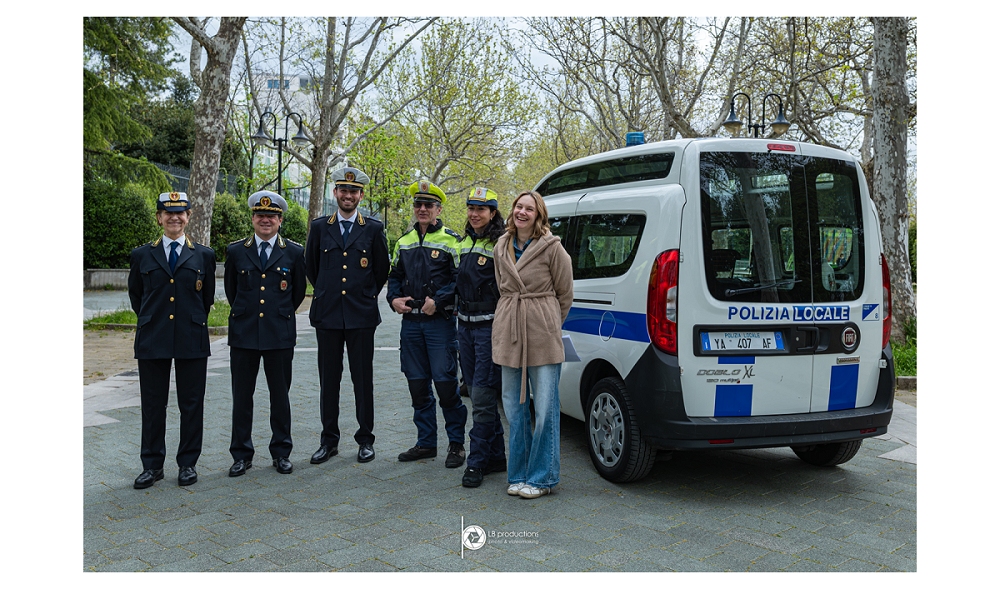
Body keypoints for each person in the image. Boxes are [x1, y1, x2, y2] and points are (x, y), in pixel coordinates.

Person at [128, 192, 216, 489]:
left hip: (191, 336)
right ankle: (152, 466)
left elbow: (206, 299)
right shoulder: (142, 255)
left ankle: (187, 463)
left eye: (180, 213)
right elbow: (137, 297)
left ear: (189, 217)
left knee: (191, 403)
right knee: (153, 405)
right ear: (159, 217)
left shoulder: (204, 255)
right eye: (168, 213)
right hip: (153, 337)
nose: (174, 218)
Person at [305, 167, 390, 464]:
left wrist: (365, 294)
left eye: (353, 191)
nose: (348, 195)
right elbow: (311, 267)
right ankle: (329, 441)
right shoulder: (319, 227)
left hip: (361, 315)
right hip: (328, 315)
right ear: (335, 193)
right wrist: (329, 292)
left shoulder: (373, 229)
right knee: (329, 381)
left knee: (362, 380)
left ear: (361, 195)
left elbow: (381, 270)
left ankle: (365, 439)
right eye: (343, 190)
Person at [493, 190, 573, 499]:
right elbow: (502, 285)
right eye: (518, 206)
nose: (522, 212)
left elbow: (565, 294)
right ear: (512, 211)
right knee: (514, 408)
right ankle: (519, 474)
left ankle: (542, 477)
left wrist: (548, 322)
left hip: (542, 333)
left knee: (545, 407)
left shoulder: (553, 248)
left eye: (529, 208)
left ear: (539, 215)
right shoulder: (501, 246)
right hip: (509, 331)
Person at [224, 191, 306, 477]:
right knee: (242, 397)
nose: (265, 220)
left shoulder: (295, 252)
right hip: (244, 334)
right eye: (260, 215)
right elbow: (231, 291)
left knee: (279, 396)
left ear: (280, 220)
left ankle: (281, 452)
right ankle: (241, 454)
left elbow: (296, 295)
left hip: (278, 334)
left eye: (271, 216)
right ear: (253, 219)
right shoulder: (236, 251)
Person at [387, 180, 468, 468]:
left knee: (446, 387)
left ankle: (456, 445)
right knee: (418, 386)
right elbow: (394, 276)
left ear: (438, 209)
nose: (422, 209)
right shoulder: (403, 241)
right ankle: (426, 443)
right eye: (418, 204)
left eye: (428, 205)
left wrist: (441, 300)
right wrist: (393, 298)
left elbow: (461, 278)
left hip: (440, 324)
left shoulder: (452, 240)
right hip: (410, 325)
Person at [456, 187, 507, 488]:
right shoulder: (465, 243)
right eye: (471, 208)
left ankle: (476, 462)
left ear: (493, 213)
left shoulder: (501, 244)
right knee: (477, 393)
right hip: (465, 327)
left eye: (481, 209)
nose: (475, 214)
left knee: (484, 398)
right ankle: (497, 457)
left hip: (488, 329)